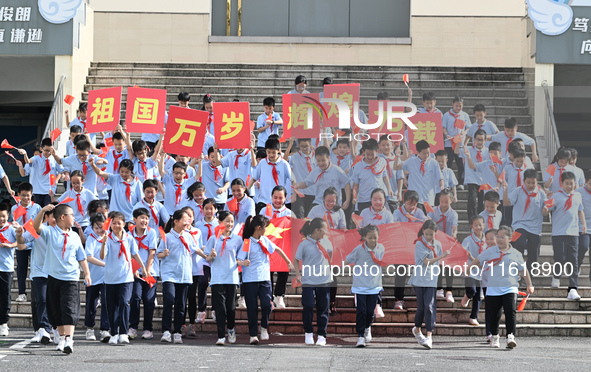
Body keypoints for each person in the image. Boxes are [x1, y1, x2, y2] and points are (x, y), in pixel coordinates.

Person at [33, 204, 92, 354]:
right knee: (56, 310)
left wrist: (87, 273)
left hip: (71, 278)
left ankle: (69, 340)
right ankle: (61, 339)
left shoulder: (74, 235)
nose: (74, 217)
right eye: (71, 215)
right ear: (62, 217)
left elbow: (81, 257)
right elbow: (36, 227)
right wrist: (42, 211)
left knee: (69, 307)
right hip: (53, 277)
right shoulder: (50, 232)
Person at [468, 226, 534, 349]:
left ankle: (510, 337)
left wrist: (529, 284)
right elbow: (478, 260)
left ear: (510, 238)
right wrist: (469, 268)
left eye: (502, 237)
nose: (499, 239)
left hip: (510, 287)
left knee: (510, 312)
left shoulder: (516, 254)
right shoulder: (490, 251)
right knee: (495, 314)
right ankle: (495, 336)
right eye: (498, 236)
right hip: (493, 288)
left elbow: (524, 270)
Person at [236, 215, 294, 345]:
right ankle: (252, 335)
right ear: (258, 228)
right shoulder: (247, 243)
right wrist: (243, 263)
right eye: (265, 228)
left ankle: (263, 326)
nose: (266, 230)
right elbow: (238, 260)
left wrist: (288, 262)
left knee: (267, 305)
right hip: (250, 279)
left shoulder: (265, 240)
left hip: (265, 279)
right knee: (252, 308)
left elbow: (277, 249)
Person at [100, 211, 146, 345]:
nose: (116, 225)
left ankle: (124, 332)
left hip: (126, 277)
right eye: (113, 223)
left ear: (124, 224)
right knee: (111, 306)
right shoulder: (108, 238)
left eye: (119, 223)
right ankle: (114, 332)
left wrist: (142, 267)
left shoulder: (129, 238)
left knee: (125, 303)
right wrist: (103, 243)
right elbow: (102, 256)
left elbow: (135, 254)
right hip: (110, 278)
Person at [203, 211, 243, 346]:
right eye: (227, 221)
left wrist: (242, 262)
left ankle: (231, 329)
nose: (230, 224)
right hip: (217, 278)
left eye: (232, 221)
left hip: (231, 278)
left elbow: (240, 258)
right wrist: (211, 256)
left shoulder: (237, 239)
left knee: (231, 308)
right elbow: (207, 258)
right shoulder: (214, 238)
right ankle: (221, 336)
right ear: (220, 222)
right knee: (220, 309)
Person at [409, 220, 450, 349]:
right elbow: (427, 262)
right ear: (423, 232)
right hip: (419, 280)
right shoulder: (419, 244)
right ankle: (417, 329)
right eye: (427, 234)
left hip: (431, 280)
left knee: (430, 306)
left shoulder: (437, 244)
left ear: (435, 233)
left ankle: (429, 336)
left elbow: (437, 264)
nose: (429, 237)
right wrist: (443, 256)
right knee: (421, 307)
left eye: (431, 234)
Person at [502, 169, 548, 282]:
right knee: (518, 244)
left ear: (537, 182)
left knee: (534, 254)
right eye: (528, 183)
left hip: (535, 228)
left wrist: (546, 210)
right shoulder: (518, 191)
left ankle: (528, 278)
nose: (531, 185)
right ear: (524, 181)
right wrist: (505, 190)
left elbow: (545, 212)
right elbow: (506, 203)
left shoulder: (541, 193)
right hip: (519, 225)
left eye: (533, 183)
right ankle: (517, 271)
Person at [157, 209, 196, 344]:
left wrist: (208, 257)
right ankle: (166, 331)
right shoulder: (167, 237)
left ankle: (177, 331)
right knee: (169, 299)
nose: (187, 222)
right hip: (170, 274)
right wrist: (164, 253)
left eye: (188, 220)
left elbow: (196, 249)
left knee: (181, 305)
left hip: (184, 274)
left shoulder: (189, 236)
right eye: (184, 220)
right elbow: (158, 254)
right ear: (176, 221)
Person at [546, 171, 585, 300]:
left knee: (573, 260)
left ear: (575, 184)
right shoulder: (556, 196)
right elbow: (547, 210)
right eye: (567, 183)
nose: (569, 186)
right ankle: (556, 276)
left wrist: (583, 224)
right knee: (560, 258)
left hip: (573, 233)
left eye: (571, 183)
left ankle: (573, 288)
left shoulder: (578, 195)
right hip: (558, 233)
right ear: (561, 184)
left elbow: (580, 211)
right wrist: (546, 208)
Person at [344, 224, 385, 348]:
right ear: (365, 237)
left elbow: (378, 260)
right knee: (361, 311)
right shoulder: (358, 249)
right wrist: (338, 266)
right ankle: (361, 336)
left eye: (375, 237)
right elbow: (347, 259)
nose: (373, 240)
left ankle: (367, 327)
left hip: (374, 285)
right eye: (370, 238)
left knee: (369, 312)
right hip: (360, 285)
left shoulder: (381, 248)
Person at [294, 218, 332, 346]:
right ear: (317, 230)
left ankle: (321, 335)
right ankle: (308, 333)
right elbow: (296, 259)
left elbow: (330, 256)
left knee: (323, 308)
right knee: (308, 305)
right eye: (324, 230)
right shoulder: (304, 244)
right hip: (309, 281)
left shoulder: (326, 242)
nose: (326, 232)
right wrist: (298, 274)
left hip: (324, 280)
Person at [128, 208, 159, 340]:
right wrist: (135, 269)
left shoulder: (152, 233)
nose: (144, 220)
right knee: (135, 297)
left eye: (147, 218)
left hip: (150, 271)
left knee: (149, 300)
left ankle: (148, 328)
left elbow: (152, 252)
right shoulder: (128, 233)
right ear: (134, 220)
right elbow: (129, 252)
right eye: (141, 218)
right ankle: (133, 327)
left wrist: (147, 270)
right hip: (135, 272)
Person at [460, 215, 487, 325]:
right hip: (470, 269)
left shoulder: (487, 240)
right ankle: (467, 296)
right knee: (472, 290)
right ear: (472, 227)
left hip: (482, 270)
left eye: (480, 225)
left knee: (479, 296)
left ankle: (473, 317)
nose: (478, 227)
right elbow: (462, 250)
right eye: (475, 225)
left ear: (484, 226)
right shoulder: (468, 239)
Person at [402, 139, 443, 208]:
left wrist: (442, 187)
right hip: (415, 199)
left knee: (428, 218)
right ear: (418, 152)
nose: (427, 155)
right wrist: (397, 155)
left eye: (428, 152)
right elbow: (398, 167)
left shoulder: (433, 162)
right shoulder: (411, 161)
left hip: (429, 199)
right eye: (424, 153)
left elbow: (440, 177)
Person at [442, 97, 471, 188]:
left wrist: (464, 132)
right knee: (448, 162)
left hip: (459, 142)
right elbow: (444, 127)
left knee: (460, 163)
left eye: (460, 106)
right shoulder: (447, 115)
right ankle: (448, 182)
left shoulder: (464, 115)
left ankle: (461, 182)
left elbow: (468, 127)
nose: (458, 108)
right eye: (456, 106)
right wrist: (446, 135)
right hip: (449, 143)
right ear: (452, 104)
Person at [0, 203, 18, 337]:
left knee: (5, 296)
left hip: (6, 268)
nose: (1, 219)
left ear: (8, 216)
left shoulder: (11, 228)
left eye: (3, 217)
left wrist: (10, 245)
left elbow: (20, 242)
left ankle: (3, 323)